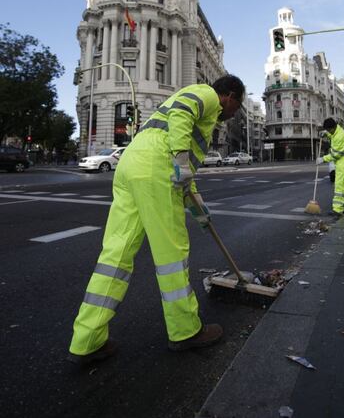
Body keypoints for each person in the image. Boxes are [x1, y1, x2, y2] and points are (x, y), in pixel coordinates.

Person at [68, 74, 245, 365]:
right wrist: (180, 158)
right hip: (157, 167)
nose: (232, 114)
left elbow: (184, 178)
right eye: (235, 107)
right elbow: (182, 113)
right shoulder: (206, 94)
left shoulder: (197, 114)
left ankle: (87, 339)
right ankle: (185, 330)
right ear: (230, 95)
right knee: (171, 256)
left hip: (131, 165)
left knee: (115, 255)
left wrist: (198, 208)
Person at [316, 118, 344, 216]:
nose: (328, 131)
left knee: (339, 186)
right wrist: (325, 134)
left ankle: (337, 210)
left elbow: (335, 155)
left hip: (343, 162)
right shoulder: (336, 131)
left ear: (332, 128)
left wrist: (323, 159)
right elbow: (332, 134)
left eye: (328, 130)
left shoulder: (339, 137)